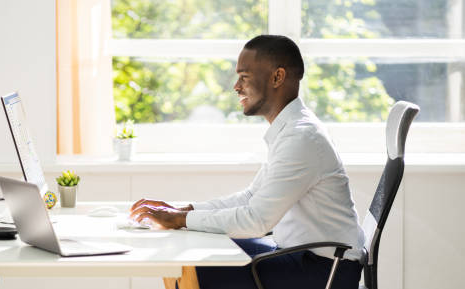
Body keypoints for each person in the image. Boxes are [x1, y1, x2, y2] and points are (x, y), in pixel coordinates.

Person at [129, 35, 365, 289]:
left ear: (277, 77)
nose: (236, 87)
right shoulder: (292, 131)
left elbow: (256, 220)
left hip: (325, 270)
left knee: (197, 265)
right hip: (301, 254)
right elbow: (251, 196)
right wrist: (186, 211)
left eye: (244, 77)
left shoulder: (302, 137)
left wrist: (181, 220)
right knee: (191, 247)